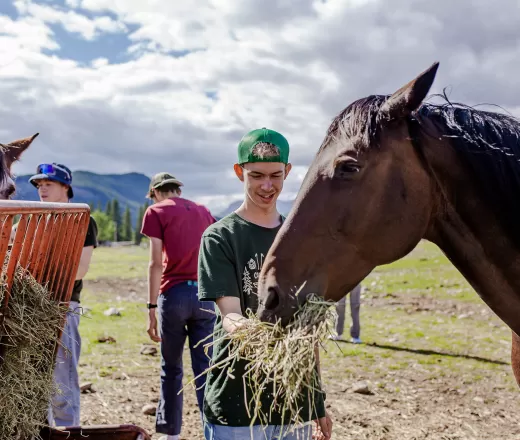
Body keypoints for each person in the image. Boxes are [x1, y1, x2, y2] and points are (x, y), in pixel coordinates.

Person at [198, 128, 333, 440]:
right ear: (239, 172)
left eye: (275, 175)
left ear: (287, 171)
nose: (266, 185)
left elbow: (308, 329)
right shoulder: (220, 237)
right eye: (256, 175)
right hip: (237, 403)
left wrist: (316, 401)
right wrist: (260, 334)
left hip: (293, 404)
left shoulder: (300, 239)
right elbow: (230, 314)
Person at [141, 172, 216, 440]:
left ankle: (170, 433)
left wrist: (151, 307)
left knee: (171, 367)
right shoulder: (204, 211)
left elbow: (155, 263)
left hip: (172, 295)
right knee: (206, 369)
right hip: (205, 297)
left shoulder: (155, 211)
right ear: (177, 191)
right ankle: (213, 431)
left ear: (156, 193)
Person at [28, 163, 98, 427]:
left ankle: (68, 431)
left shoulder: (82, 219)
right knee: (31, 378)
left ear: (66, 187)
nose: (42, 189)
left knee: (61, 378)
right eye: (39, 185)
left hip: (63, 306)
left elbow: (80, 269)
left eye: (49, 184)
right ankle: (42, 431)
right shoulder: (35, 219)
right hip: (31, 307)